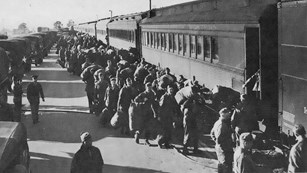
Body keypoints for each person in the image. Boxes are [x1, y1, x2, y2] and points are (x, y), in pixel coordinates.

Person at [211, 108, 234, 173]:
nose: (229, 117)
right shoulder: (222, 126)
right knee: (226, 167)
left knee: (220, 165)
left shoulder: (217, 123)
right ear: (224, 115)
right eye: (228, 116)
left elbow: (212, 133)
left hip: (219, 148)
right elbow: (219, 139)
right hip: (224, 149)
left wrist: (216, 143)